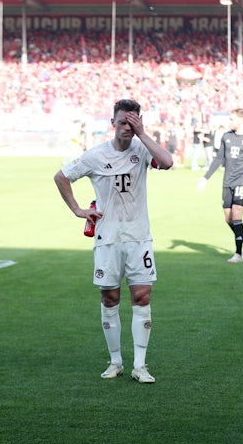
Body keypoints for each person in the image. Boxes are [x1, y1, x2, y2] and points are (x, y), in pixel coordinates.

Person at [54, 98, 173, 384]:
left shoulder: (142, 150)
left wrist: (143, 133)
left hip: (138, 237)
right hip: (107, 238)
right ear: (112, 124)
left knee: (142, 296)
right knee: (110, 297)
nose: (127, 128)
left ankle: (140, 366)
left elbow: (167, 162)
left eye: (132, 123)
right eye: (122, 122)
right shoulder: (95, 155)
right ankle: (116, 361)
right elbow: (61, 176)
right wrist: (78, 209)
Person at [197, 108, 243, 263]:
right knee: (229, 219)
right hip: (228, 181)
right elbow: (218, 159)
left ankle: (238, 254)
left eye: (231, 119)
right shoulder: (226, 136)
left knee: (236, 213)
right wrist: (205, 178)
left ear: (240, 120)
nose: (229, 122)